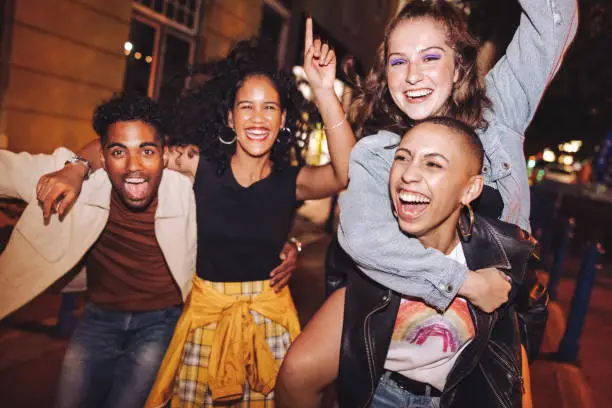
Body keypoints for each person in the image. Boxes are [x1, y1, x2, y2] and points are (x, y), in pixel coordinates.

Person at [36, 24, 355, 407]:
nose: (257, 118)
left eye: (269, 107)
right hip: (204, 319)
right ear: (229, 118)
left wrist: (324, 90)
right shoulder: (196, 164)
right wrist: (75, 168)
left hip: (269, 323)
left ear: (283, 119)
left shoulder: (294, 181)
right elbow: (128, 145)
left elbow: (347, 173)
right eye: (246, 107)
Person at [324, 0, 578, 314]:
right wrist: (464, 282)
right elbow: (362, 236)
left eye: (430, 57)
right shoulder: (378, 154)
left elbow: (551, 25)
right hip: (406, 334)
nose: (412, 76)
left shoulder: (499, 114)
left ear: (458, 67)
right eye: (398, 62)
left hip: (491, 333)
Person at [276, 117, 548, 408]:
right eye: (402, 158)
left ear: (470, 190)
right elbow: (297, 374)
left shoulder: (502, 252)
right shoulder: (374, 253)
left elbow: (513, 343)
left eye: (433, 164)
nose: (408, 175)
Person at [0, 93, 195, 408]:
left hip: (161, 322)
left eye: (147, 151)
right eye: (119, 152)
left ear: (164, 153)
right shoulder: (80, 181)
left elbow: (240, 207)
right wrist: (74, 168)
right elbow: (7, 170)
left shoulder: (185, 191)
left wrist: (282, 244)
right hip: (99, 317)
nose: (134, 167)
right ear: (103, 156)